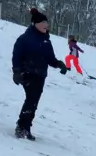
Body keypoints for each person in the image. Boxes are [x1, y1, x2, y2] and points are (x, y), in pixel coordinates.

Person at [11, 8, 67, 140]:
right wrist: (17, 72)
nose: (46, 25)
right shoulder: (25, 39)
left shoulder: (46, 41)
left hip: (40, 75)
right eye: (43, 22)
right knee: (31, 100)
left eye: (46, 23)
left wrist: (59, 64)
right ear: (35, 24)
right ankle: (21, 127)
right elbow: (16, 56)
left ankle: (26, 127)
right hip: (28, 73)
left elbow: (50, 59)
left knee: (34, 102)